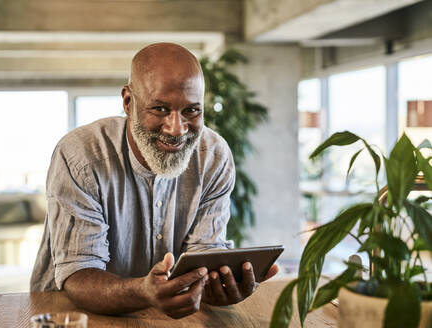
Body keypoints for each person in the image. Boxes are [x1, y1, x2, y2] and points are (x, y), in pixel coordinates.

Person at [30, 42, 278, 319]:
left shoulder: (214, 156)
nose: (177, 129)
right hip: (70, 316)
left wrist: (213, 286)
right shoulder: (81, 155)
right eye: (160, 109)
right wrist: (144, 292)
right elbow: (78, 273)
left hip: (164, 318)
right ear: (128, 102)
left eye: (191, 111)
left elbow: (202, 256)